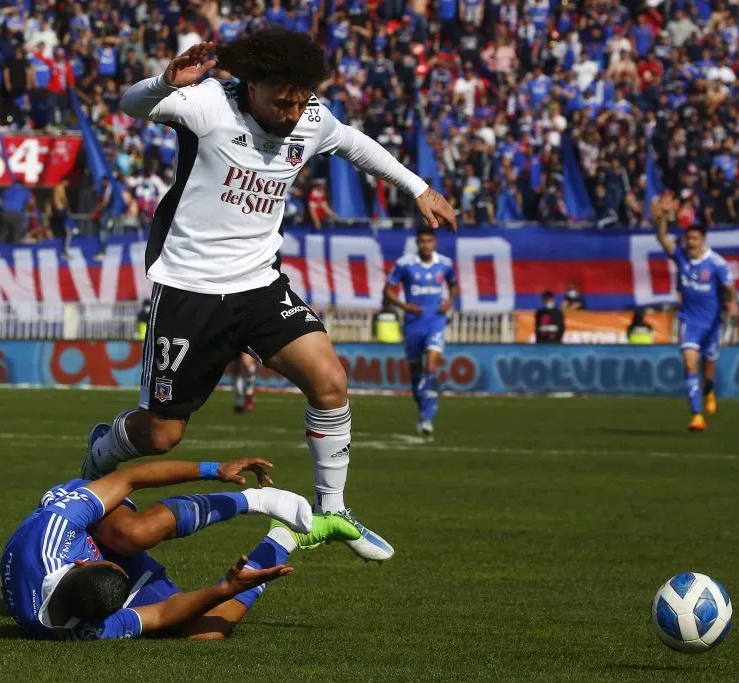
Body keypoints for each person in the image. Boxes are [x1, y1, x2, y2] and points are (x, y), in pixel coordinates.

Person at [84, 33, 456, 563]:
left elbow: (353, 142)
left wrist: (419, 188)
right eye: (283, 97)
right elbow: (131, 104)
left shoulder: (310, 116)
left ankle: (333, 511)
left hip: (259, 283)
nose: (293, 109)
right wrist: (167, 81)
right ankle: (104, 444)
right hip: (191, 288)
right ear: (251, 85)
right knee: (162, 436)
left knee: (329, 381)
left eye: (302, 97)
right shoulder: (210, 102)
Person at [0, 456, 359, 641]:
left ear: (82, 561)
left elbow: (129, 479)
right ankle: (286, 538)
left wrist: (213, 469)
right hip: (90, 572)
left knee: (134, 536)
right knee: (207, 632)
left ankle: (257, 500)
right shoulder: (79, 632)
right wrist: (224, 590)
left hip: (89, 521)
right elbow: (158, 615)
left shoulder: (53, 531)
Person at [654, 195, 739, 432]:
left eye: (695, 238)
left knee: (708, 366)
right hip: (689, 320)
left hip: (712, 321)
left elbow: (730, 287)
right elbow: (662, 238)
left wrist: (732, 303)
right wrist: (662, 217)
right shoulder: (680, 256)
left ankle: (709, 389)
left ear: (703, 240)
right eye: (688, 238)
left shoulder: (716, 263)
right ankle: (697, 415)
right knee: (690, 363)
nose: (691, 242)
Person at [382, 226, 459, 437]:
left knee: (432, 364)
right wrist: (404, 306)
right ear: (417, 243)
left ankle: (428, 418)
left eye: (429, 241)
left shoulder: (445, 264)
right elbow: (388, 290)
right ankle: (424, 409)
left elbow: (454, 284)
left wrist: (450, 301)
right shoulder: (404, 265)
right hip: (413, 323)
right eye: (422, 241)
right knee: (416, 375)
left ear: (434, 243)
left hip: (436, 321)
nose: (425, 245)